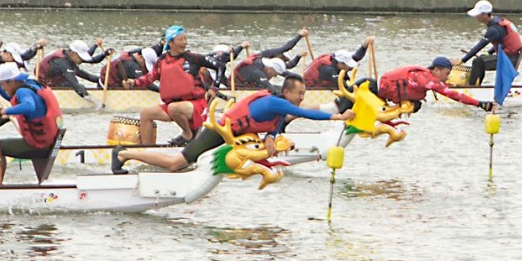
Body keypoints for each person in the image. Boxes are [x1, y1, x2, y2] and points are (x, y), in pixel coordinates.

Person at [112, 75, 353, 174]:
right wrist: (337, 117)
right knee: (177, 164)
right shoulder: (276, 103)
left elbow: (278, 126)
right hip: (218, 132)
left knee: (186, 165)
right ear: (287, 92)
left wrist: (271, 137)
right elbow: (303, 113)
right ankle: (124, 154)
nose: (302, 97)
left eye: (304, 93)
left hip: (233, 138)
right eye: (299, 93)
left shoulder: (280, 110)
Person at [123, 26, 218, 146]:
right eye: (181, 40)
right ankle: (147, 149)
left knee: (174, 108)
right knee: (145, 113)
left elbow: (220, 66)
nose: (185, 43)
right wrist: (133, 82)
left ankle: (187, 135)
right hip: (174, 106)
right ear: (171, 42)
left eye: (185, 39)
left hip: (195, 105)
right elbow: (150, 77)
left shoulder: (193, 58)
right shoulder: (162, 60)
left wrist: (215, 87)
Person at [0, 62, 63, 185]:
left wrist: (1, 111)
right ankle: (46, 188)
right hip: (48, 142)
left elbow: (29, 106)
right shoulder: (31, 84)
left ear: (11, 81)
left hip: (38, 144)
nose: (2, 88)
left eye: (2, 84)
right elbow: (10, 97)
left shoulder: (23, 92)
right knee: (43, 182)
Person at [458, 0, 522, 86]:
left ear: (485, 14)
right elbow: (502, 42)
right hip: (511, 57)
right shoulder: (498, 20)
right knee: (481, 59)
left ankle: (472, 87)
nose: (476, 17)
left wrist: (462, 60)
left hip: (508, 60)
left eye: (477, 14)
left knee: (477, 62)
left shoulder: (493, 29)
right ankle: (477, 86)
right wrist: (488, 53)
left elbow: (479, 46)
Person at [232, 31, 307, 90]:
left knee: (282, 88)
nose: (283, 61)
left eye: (285, 60)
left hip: (257, 82)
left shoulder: (275, 64)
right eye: (284, 59)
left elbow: (289, 68)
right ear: (279, 54)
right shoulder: (265, 56)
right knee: (274, 89)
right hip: (243, 83)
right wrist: (299, 35)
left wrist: (302, 81)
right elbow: (285, 48)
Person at [37, 39, 105, 98]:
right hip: (44, 87)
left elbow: (87, 76)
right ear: (73, 53)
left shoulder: (69, 58)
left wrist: (102, 80)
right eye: (80, 58)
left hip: (56, 81)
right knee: (70, 85)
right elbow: (76, 85)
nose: (82, 60)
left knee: (71, 84)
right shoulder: (62, 62)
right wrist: (97, 103)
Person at [303, 38, 372, 90]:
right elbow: (342, 86)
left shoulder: (336, 58)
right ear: (341, 64)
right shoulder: (328, 69)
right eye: (349, 66)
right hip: (312, 89)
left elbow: (356, 57)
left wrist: (365, 45)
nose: (350, 69)